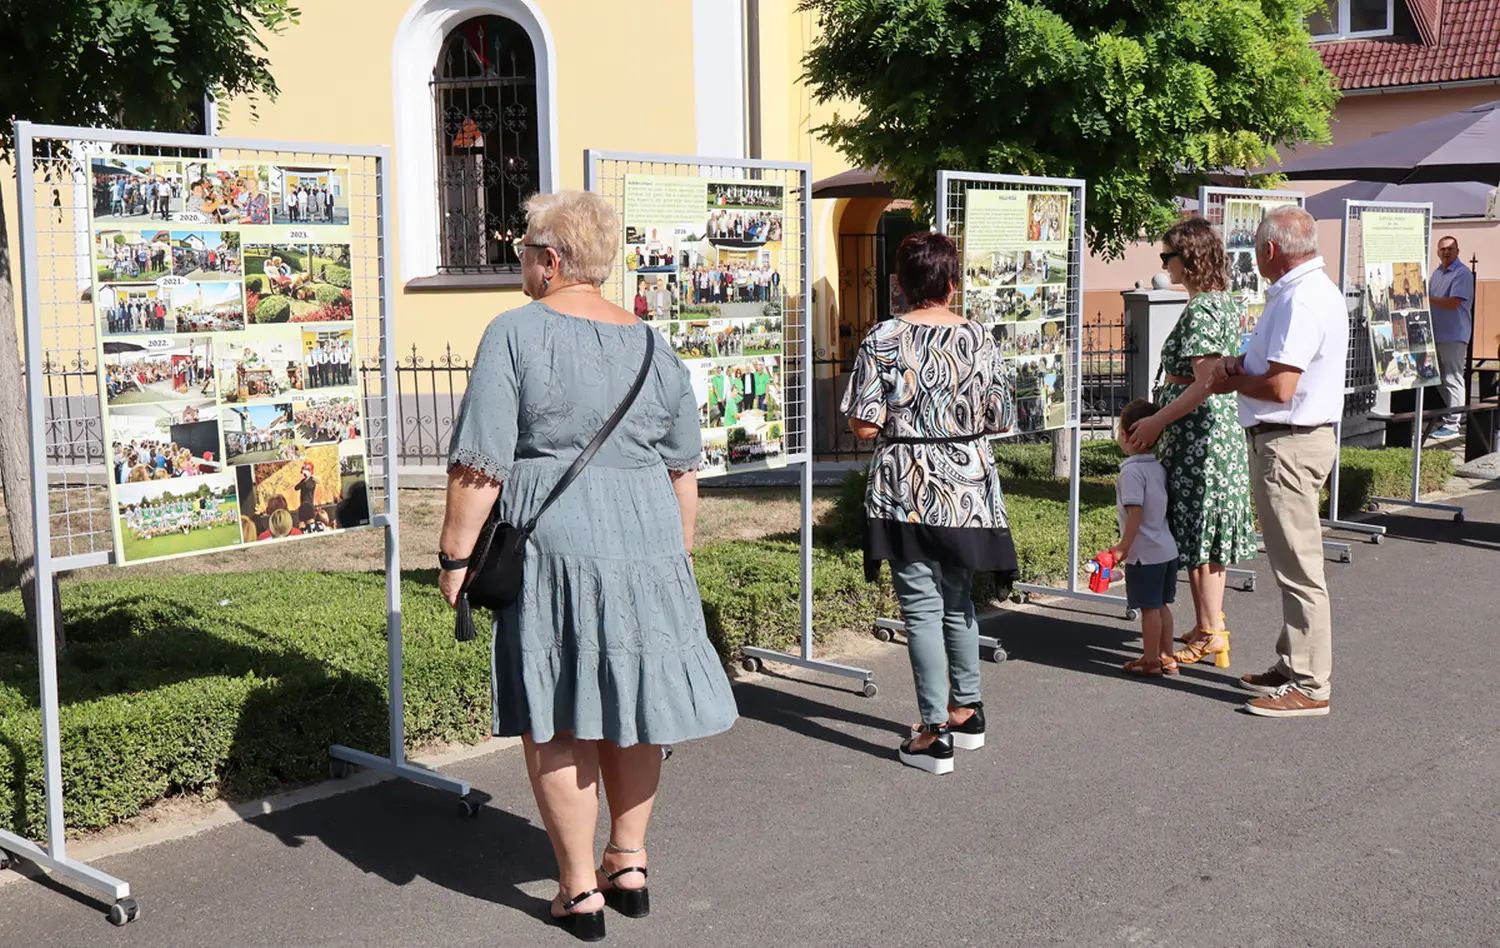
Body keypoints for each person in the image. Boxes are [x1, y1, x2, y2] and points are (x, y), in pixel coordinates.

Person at [438, 189, 736, 939]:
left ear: (549, 259)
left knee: (560, 714)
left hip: (555, 548)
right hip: (649, 542)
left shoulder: (514, 333)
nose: (523, 266)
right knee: (635, 707)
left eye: (524, 253)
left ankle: (578, 891)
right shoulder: (651, 344)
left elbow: (481, 465)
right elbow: (682, 469)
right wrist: (678, 554)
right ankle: (628, 862)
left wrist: (454, 556)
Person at [841, 231, 1017, 776]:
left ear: (900, 284)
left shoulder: (884, 339)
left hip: (907, 488)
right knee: (958, 601)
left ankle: (933, 732)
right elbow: (1002, 418)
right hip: (968, 487)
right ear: (952, 282)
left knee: (919, 607)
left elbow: (865, 425)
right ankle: (967, 712)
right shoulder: (980, 337)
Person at [1198, 206, 1347, 718]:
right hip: (1294, 438)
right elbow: (1279, 368)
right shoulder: (1308, 291)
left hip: (1289, 440)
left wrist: (1229, 379)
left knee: (1299, 567)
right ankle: (1293, 662)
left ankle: (1310, 683)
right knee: (1291, 560)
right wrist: (1243, 365)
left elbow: (1282, 386)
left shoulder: (1299, 300)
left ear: (1269, 250)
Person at [1126, 218, 1257, 667]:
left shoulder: (1202, 309)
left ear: (1190, 258)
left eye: (1168, 256)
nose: (1164, 265)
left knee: (1200, 535)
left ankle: (1210, 630)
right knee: (1207, 534)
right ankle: (1209, 624)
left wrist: (1157, 421)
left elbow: (1203, 382)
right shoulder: (1222, 302)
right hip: (1212, 429)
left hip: (1198, 432)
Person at [1110, 399, 1180, 676]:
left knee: (1149, 609)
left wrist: (1122, 548)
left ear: (1126, 434)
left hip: (1145, 553)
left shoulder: (1131, 471)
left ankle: (1150, 660)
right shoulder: (1157, 467)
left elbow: (1135, 512)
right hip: (1166, 549)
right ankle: (1167, 656)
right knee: (1162, 605)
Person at [1428, 235, 1474, 441]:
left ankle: (1453, 423)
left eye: (1450, 248)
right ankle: (1454, 413)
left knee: (1453, 378)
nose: (1446, 252)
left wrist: (1426, 299)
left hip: (1454, 334)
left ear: (1457, 251)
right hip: (1436, 334)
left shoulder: (1462, 273)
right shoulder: (1436, 274)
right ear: (1438, 252)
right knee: (1437, 378)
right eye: (1442, 249)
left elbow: (1453, 303)